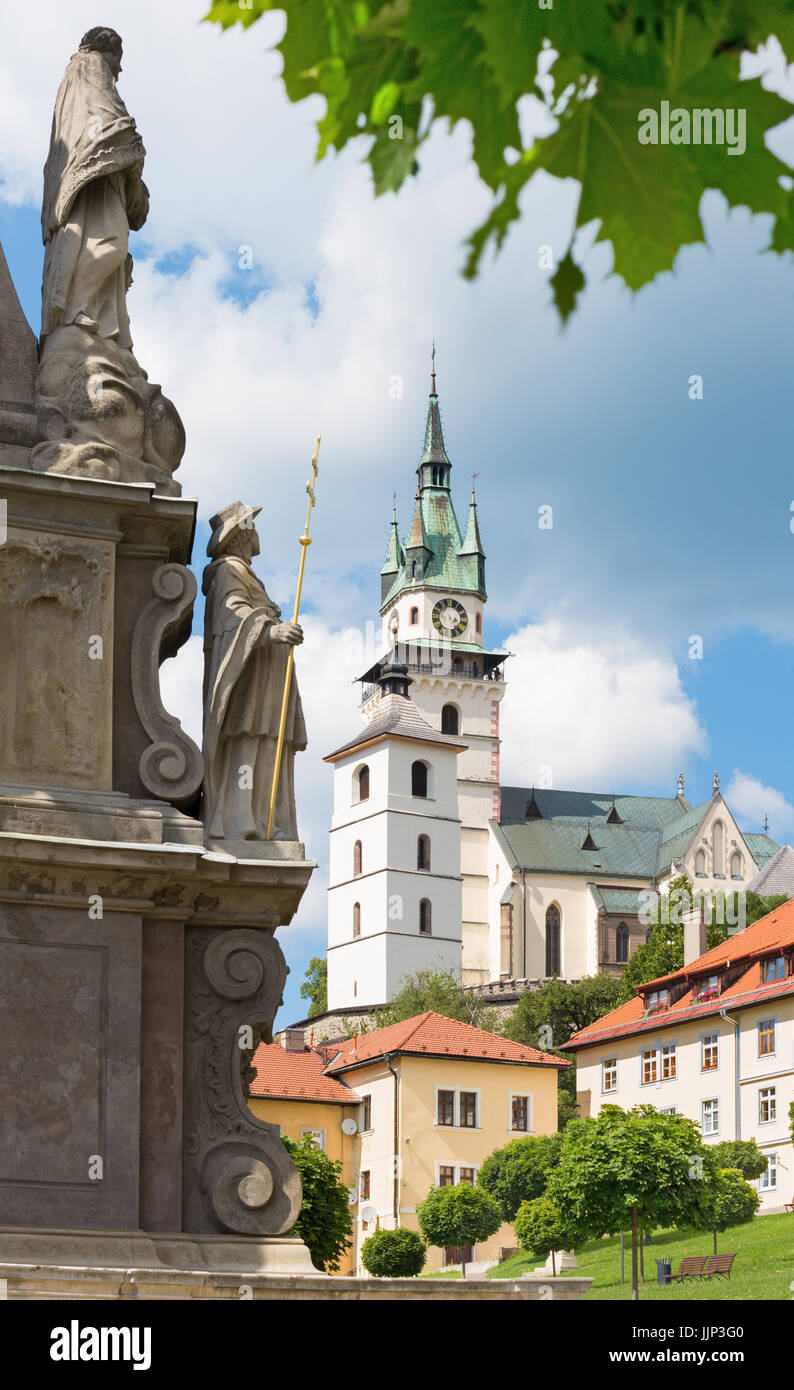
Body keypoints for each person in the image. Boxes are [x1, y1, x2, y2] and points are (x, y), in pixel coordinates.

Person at [202, 502, 307, 842]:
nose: (257, 531)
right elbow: (232, 614)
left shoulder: (243, 570)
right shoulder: (227, 568)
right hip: (249, 675)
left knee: (266, 741)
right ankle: (240, 822)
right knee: (248, 739)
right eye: (252, 524)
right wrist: (270, 631)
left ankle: (265, 820)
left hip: (266, 673)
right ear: (241, 534)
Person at [40, 26, 149, 349]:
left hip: (101, 170)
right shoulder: (89, 64)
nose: (120, 68)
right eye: (119, 57)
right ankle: (76, 310)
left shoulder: (75, 72)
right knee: (110, 243)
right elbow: (107, 116)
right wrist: (130, 144)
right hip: (96, 174)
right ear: (107, 49)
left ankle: (86, 314)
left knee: (108, 245)